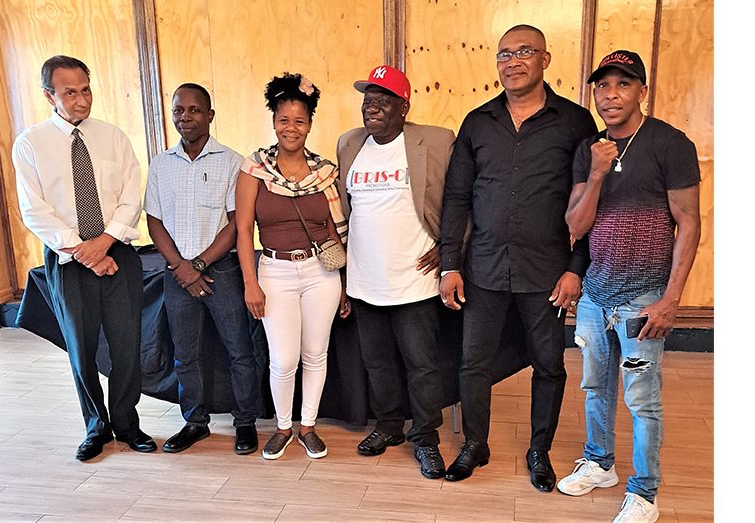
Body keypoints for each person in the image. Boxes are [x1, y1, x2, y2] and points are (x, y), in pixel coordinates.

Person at [439, 25, 597, 488]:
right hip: (483, 267)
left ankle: (539, 451)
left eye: (524, 51)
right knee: (473, 363)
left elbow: (592, 201)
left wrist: (575, 269)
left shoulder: (574, 122)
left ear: (545, 59)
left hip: (547, 273)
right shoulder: (477, 122)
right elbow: (456, 198)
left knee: (548, 364)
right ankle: (474, 444)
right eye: (504, 54)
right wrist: (450, 263)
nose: (513, 61)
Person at [558, 50, 701, 523]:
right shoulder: (590, 149)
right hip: (597, 297)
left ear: (642, 90)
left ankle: (644, 492)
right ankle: (599, 463)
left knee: (643, 399)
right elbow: (576, 225)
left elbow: (689, 223)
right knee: (595, 386)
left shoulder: (669, 143)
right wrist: (597, 171)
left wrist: (670, 299)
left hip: (645, 299)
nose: (611, 94)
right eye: (602, 86)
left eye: (623, 84)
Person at [12, 55, 155, 461]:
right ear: (49, 96)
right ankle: (96, 427)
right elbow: (34, 210)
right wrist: (85, 251)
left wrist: (105, 243)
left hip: (117, 253)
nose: (81, 100)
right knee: (82, 347)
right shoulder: (31, 144)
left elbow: (131, 195)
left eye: (86, 90)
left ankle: (127, 424)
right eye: (69, 93)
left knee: (128, 344)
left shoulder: (113, 137)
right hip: (69, 260)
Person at [338, 65, 455, 480]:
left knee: (421, 365)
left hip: (414, 277)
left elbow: (463, 199)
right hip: (365, 278)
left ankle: (425, 439)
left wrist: (449, 249)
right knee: (377, 363)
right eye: (368, 97)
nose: (372, 105)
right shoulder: (349, 144)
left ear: (403, 106)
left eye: (383, 98)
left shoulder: (437, 141)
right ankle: (388, 426)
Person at [144, 83, 261, 455]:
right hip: (177, 275)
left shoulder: (231, 161)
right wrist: (182, 268)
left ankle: (245, 423)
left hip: (221, 272)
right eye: (179, 110)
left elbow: (236, 224)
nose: (186, 117)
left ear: (210, 115)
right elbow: (155, 221)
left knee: (239, 350)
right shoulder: (161, 164)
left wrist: (198, 265)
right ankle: (195, 422)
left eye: (194, 110)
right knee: (185, 354)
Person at [235, 73, 346, 460]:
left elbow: (332, 227)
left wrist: (342, 282)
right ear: (273, 122)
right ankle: (283, 427)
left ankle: (308, 427)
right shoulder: (255, 169)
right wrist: (251, 283)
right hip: (275, 271)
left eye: (299, 121)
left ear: (310, 124)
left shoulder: (325, 172)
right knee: (284, 359)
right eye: (284, 120)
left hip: (321, 273)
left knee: (316, 354)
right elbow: (243, 229)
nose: (291, 128)